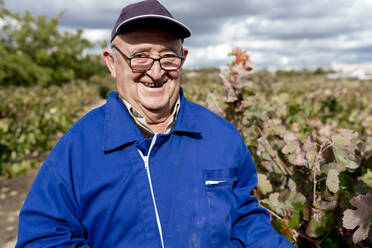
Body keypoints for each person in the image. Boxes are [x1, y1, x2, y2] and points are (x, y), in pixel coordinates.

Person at [16, 0, 294, 247]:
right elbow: (43, 239)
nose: (157, 70)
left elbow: (245, 220)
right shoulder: (78, 148)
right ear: (112, 63)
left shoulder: (221, 135)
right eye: (140, 57)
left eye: (168, 56)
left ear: (183, 60)